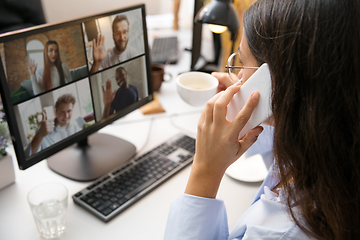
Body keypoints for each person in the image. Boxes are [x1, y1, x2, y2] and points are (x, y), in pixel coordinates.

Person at [164, 0, 360, 239]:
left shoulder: (276, 232)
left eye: (243, 62)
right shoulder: (332, 147)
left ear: (279, 81)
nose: (238, 76)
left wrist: (205, 172)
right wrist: (251, 107)